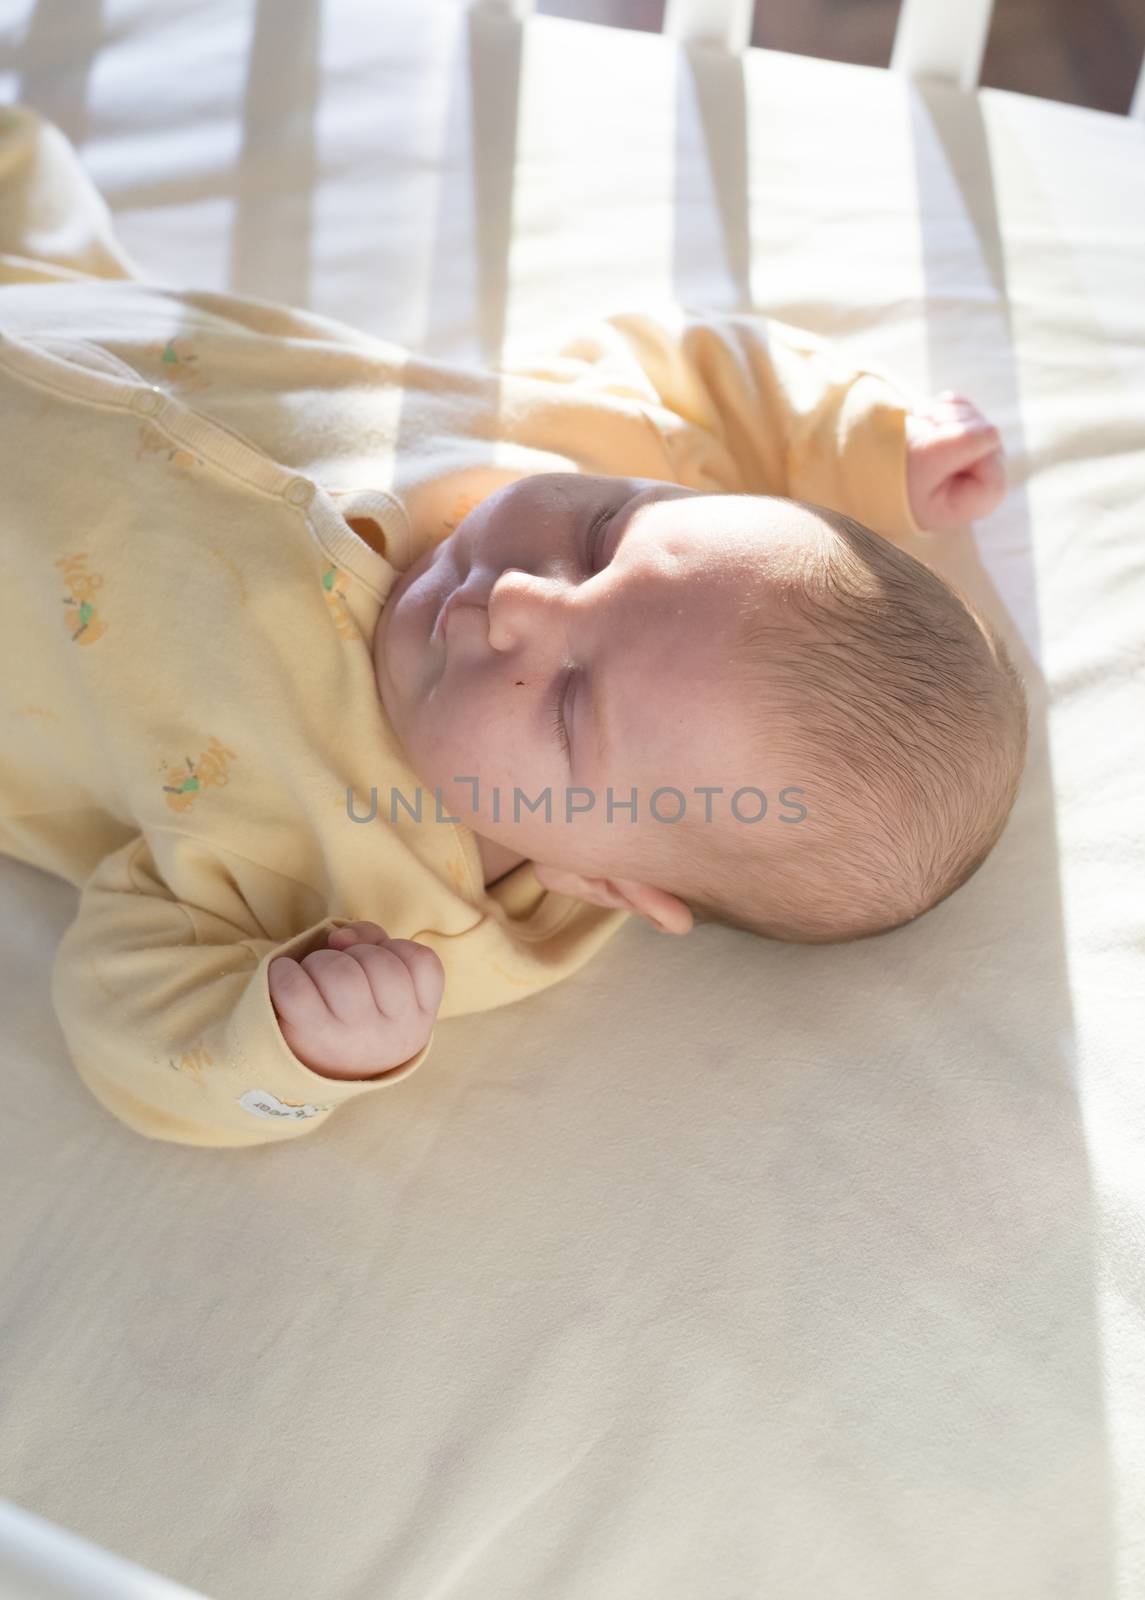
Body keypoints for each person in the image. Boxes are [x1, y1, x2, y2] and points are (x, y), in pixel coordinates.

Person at [0, 105, 1025, 1146]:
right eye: (602, 534)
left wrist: (290, 1045)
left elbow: (128, 1010)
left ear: (600, 878)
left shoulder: (366, 889)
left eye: (574, 702)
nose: (521, 600)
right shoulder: (603, 443)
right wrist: (864, 440)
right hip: (56, 293)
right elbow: (702, 386)